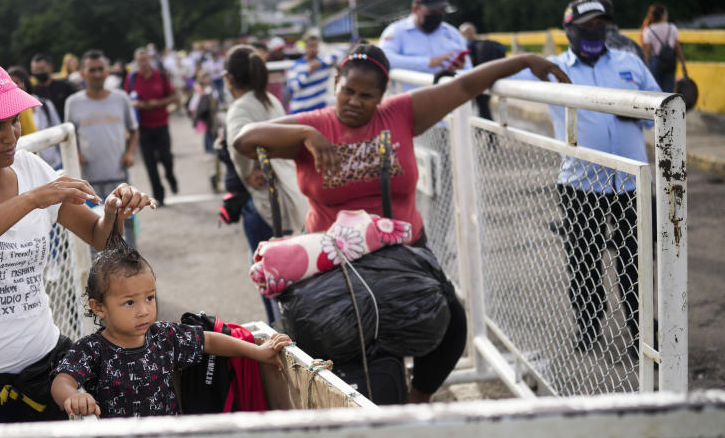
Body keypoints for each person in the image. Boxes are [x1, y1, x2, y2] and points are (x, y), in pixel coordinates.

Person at [233, 44, 569, 402]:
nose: (354, 101)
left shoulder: (400, 114)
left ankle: (415, 400)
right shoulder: (314, 124)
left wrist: (523, 60)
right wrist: (306, 137)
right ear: (335, 84)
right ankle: (356, 407)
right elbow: (244, 140)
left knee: (451, 325)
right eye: (348, 90)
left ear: (382, 95)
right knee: (340, 338)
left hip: (402, 250)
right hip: (336, 257)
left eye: (367, 95)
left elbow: (465, 87)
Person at [0, 48, 157, 426]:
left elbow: (98, 237)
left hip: (47, 372)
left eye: (15, 122)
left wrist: (112, 211)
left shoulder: (29, 166)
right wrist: (29, 200)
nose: (11, 137)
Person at [513, 0, 661, 354]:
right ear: (569, 30)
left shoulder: (629, 62)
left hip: (631, 182)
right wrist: (525, 58)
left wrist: (635, 111)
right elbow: (500, 77)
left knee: (635, 260)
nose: (594, 31)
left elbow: (660, 106)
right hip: (581, 183)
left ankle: (644, 336)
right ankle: (588, 326)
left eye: (600, 25)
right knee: (583, 262)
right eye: (586, 26)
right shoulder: (551, 69)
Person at [51, 244, 291, 418]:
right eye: (129, 303)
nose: (144, 310)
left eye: (149, 298)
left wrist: (258, 352)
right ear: (99, 307)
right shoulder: (92, 349)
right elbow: (62, 380)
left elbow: (209, 341)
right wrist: (72, 396)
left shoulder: (162, 337)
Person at [224, 45, 308, 324]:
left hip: (263, 201)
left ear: (229, 78)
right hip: (289, 193)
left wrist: (252, 168)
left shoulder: (239, 108)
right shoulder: (270, 100)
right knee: (291, 273)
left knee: (269, 276)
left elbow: (238, 142)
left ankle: (282, 335)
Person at [64, 50, 140, 246]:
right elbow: (68, 138)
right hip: (88, 181)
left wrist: (130, 153)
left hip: (118, 176)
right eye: (92, 70)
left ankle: (129, 267)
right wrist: (77, 155)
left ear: (108, 72)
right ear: (82, 73)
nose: (97, 74)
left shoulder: (121, 98)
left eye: (100, 69)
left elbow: (134, 130)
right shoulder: (73, 103)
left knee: (125, 227)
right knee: (94, 230)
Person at [380, 0, 472, 90]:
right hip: (411, 101)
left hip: (449, 99)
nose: (438, 14)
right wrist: (429, 63)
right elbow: (385, 58)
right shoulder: (396, 31)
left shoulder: (453, 33)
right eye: (433, 11)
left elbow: (468, 68)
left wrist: (458, 70)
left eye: (442, 10)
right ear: (415, 8)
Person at [125, 48, 178, 207]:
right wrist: (138, 104)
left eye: (146, 59)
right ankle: (159, 195)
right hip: (143, 127)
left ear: (150, 60)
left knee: (166, 158)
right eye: (140, 60)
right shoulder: (132, 78)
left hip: (161, 124)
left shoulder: (160, 76)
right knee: (150, 164)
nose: (143, 63)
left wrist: (158, 103)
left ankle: (170, 176)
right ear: (136, 62)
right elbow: (126, 100)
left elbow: (173, 97)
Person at [8, 66, 63, 169]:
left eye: (17, 82)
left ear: (25, 83)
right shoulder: (8, 111)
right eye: (10, 83)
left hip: (54, 162)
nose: (14, 86)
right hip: (30, 165)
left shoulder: (45, 105)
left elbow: (59, 129)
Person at [458, 23, 506, 120]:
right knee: (484, 110)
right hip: (487, 80)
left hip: (472, 81)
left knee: (467, 110)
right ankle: (489, 134)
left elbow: (468, 64)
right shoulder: (484, 45)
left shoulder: (468, 47)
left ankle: (476, 132)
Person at [286, 34, 342, 114]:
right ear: (305, 47)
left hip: (319, 111)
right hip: (299, 111)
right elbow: (293, 87)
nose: (313, 49)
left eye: (315, 46)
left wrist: (321, 63)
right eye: (310, 46)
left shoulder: (323, 62)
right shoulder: (297, 65)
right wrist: (307, 73)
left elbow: (341, 52)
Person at [640, 3, 688, 93]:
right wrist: (683, 64)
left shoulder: (648, 30)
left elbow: (647, 53)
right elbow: (678, 48)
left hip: (655, 62)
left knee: (656, 91)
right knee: (668, 91)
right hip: (670, 62)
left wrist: (645, 68)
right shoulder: (672, 28)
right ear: (662, 15)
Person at [31, 53, 75, 121]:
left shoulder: (65, 86)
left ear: (51, 68)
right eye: (36, 70)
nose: (39, 72)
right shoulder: (32, 93)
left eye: (42, 69)